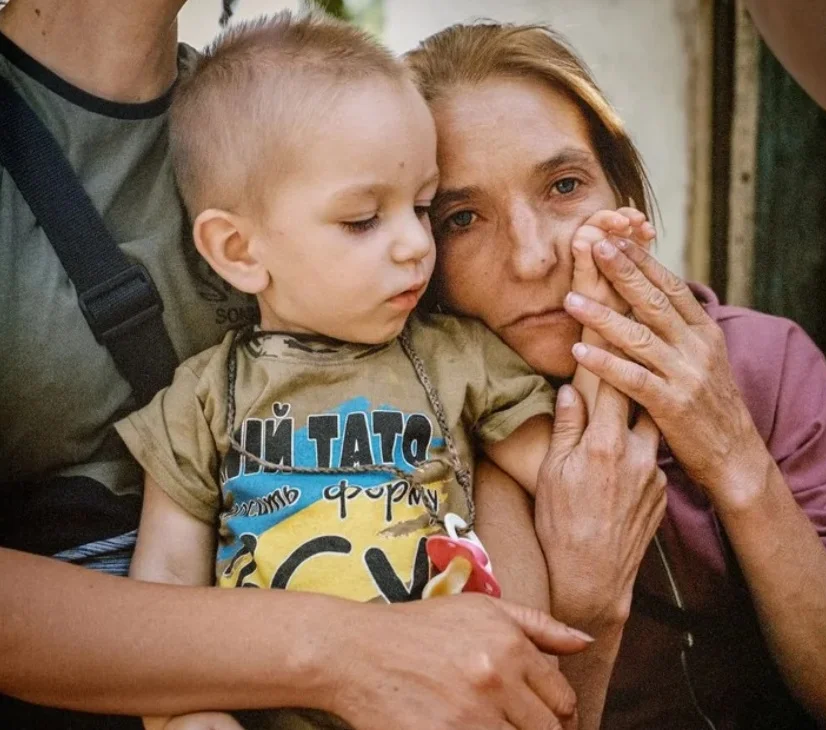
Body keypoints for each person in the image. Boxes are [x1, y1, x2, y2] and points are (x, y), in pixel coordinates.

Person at [0, 3, 590, 729]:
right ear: (237, 251)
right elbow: (170, 582)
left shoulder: (276, 107)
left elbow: (572, 474)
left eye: (429, 210)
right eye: (362, 221)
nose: (415, 245)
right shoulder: (204, 393)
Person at [406, 21, 826, 729]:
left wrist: (736, 459)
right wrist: (588, 605)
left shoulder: (768, 363)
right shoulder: (409, 432)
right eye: (464, 218)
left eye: (564, 185)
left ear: (624, 197)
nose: (531, 258)